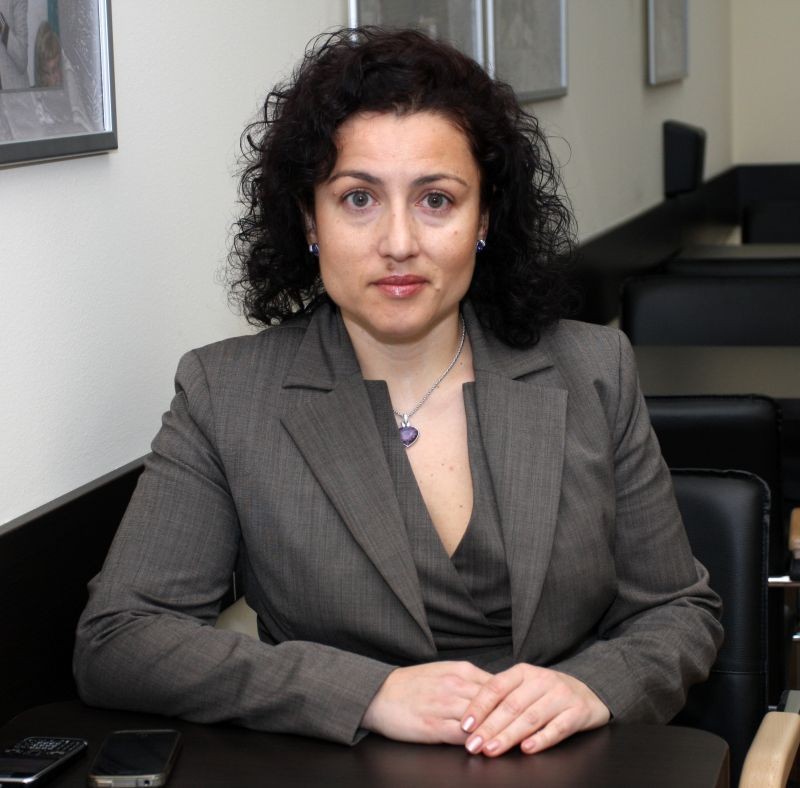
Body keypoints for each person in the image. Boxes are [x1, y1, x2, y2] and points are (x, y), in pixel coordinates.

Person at [74, 27, 723, 757]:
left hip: (564, 767)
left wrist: (590, 687)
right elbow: (120, 640)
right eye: (358, 198)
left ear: (484, 219)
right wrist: (367, 693)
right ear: (308, 218)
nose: (399, 242)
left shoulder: (593, 368)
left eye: (436, 200)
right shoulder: (225, 394)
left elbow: (678, 612)